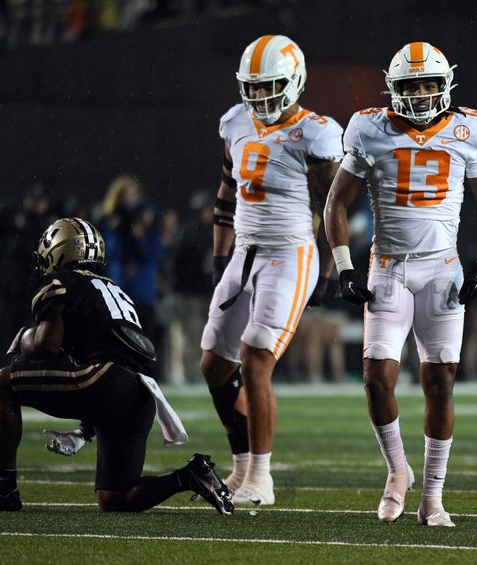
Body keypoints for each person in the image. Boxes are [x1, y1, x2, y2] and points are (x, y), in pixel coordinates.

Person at [324, 42, 477, 526]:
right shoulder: (369, 127)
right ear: (393, 89)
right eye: (411, 85)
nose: (421, 94)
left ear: (445, 86)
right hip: (388, 268)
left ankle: (433, 497)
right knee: (376, 380)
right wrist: (343, 266)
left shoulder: (468, 128)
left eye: (429, 84)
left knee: (440, 383)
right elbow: (335, 203)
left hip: (442, 268)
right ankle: (396, 471)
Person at [0, 218, 233, 514]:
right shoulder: (114, 289)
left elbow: (48, 346)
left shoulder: (58, 281)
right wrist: (84, 431)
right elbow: (120, 359)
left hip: (103, 380)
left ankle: (3, 489)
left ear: (58, 251)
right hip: (141, 395)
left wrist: (25, 340)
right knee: (115, 497)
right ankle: (188, 477)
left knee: (1, 383)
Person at [202, 35, 343, 505]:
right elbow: (226, 195)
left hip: (290, 253)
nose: (260, 97)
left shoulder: (318, 132)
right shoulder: (235, 122)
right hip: (244, 252)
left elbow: (331, 207)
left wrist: (328, 270)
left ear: (295, 81)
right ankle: (242, 466)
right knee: (214, 364)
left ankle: (262, 477)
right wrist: (222, 256)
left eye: (271, 87)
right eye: (254, 88)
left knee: (256, 355)